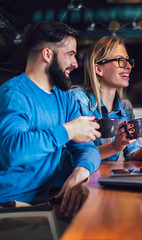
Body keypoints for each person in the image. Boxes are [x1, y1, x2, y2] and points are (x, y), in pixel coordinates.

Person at [0, 21, 101, 215]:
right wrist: (68, 130)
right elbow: (13, 151)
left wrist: (82, 170)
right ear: (47, 55)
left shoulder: (65, 98)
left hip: (44, 204)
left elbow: (88, 148)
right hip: (10, 208)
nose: (75, 63)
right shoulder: (14, 95)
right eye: (70, 54)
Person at [64, 36, 142, 162]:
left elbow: (132, 155)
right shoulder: (78, 99)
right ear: (98, 69)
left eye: (128, 61)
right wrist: (114, 147)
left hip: (107, 178)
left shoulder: (125, 107)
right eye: (120, 60)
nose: (128, 66)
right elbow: (72, 157)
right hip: (80, 179)